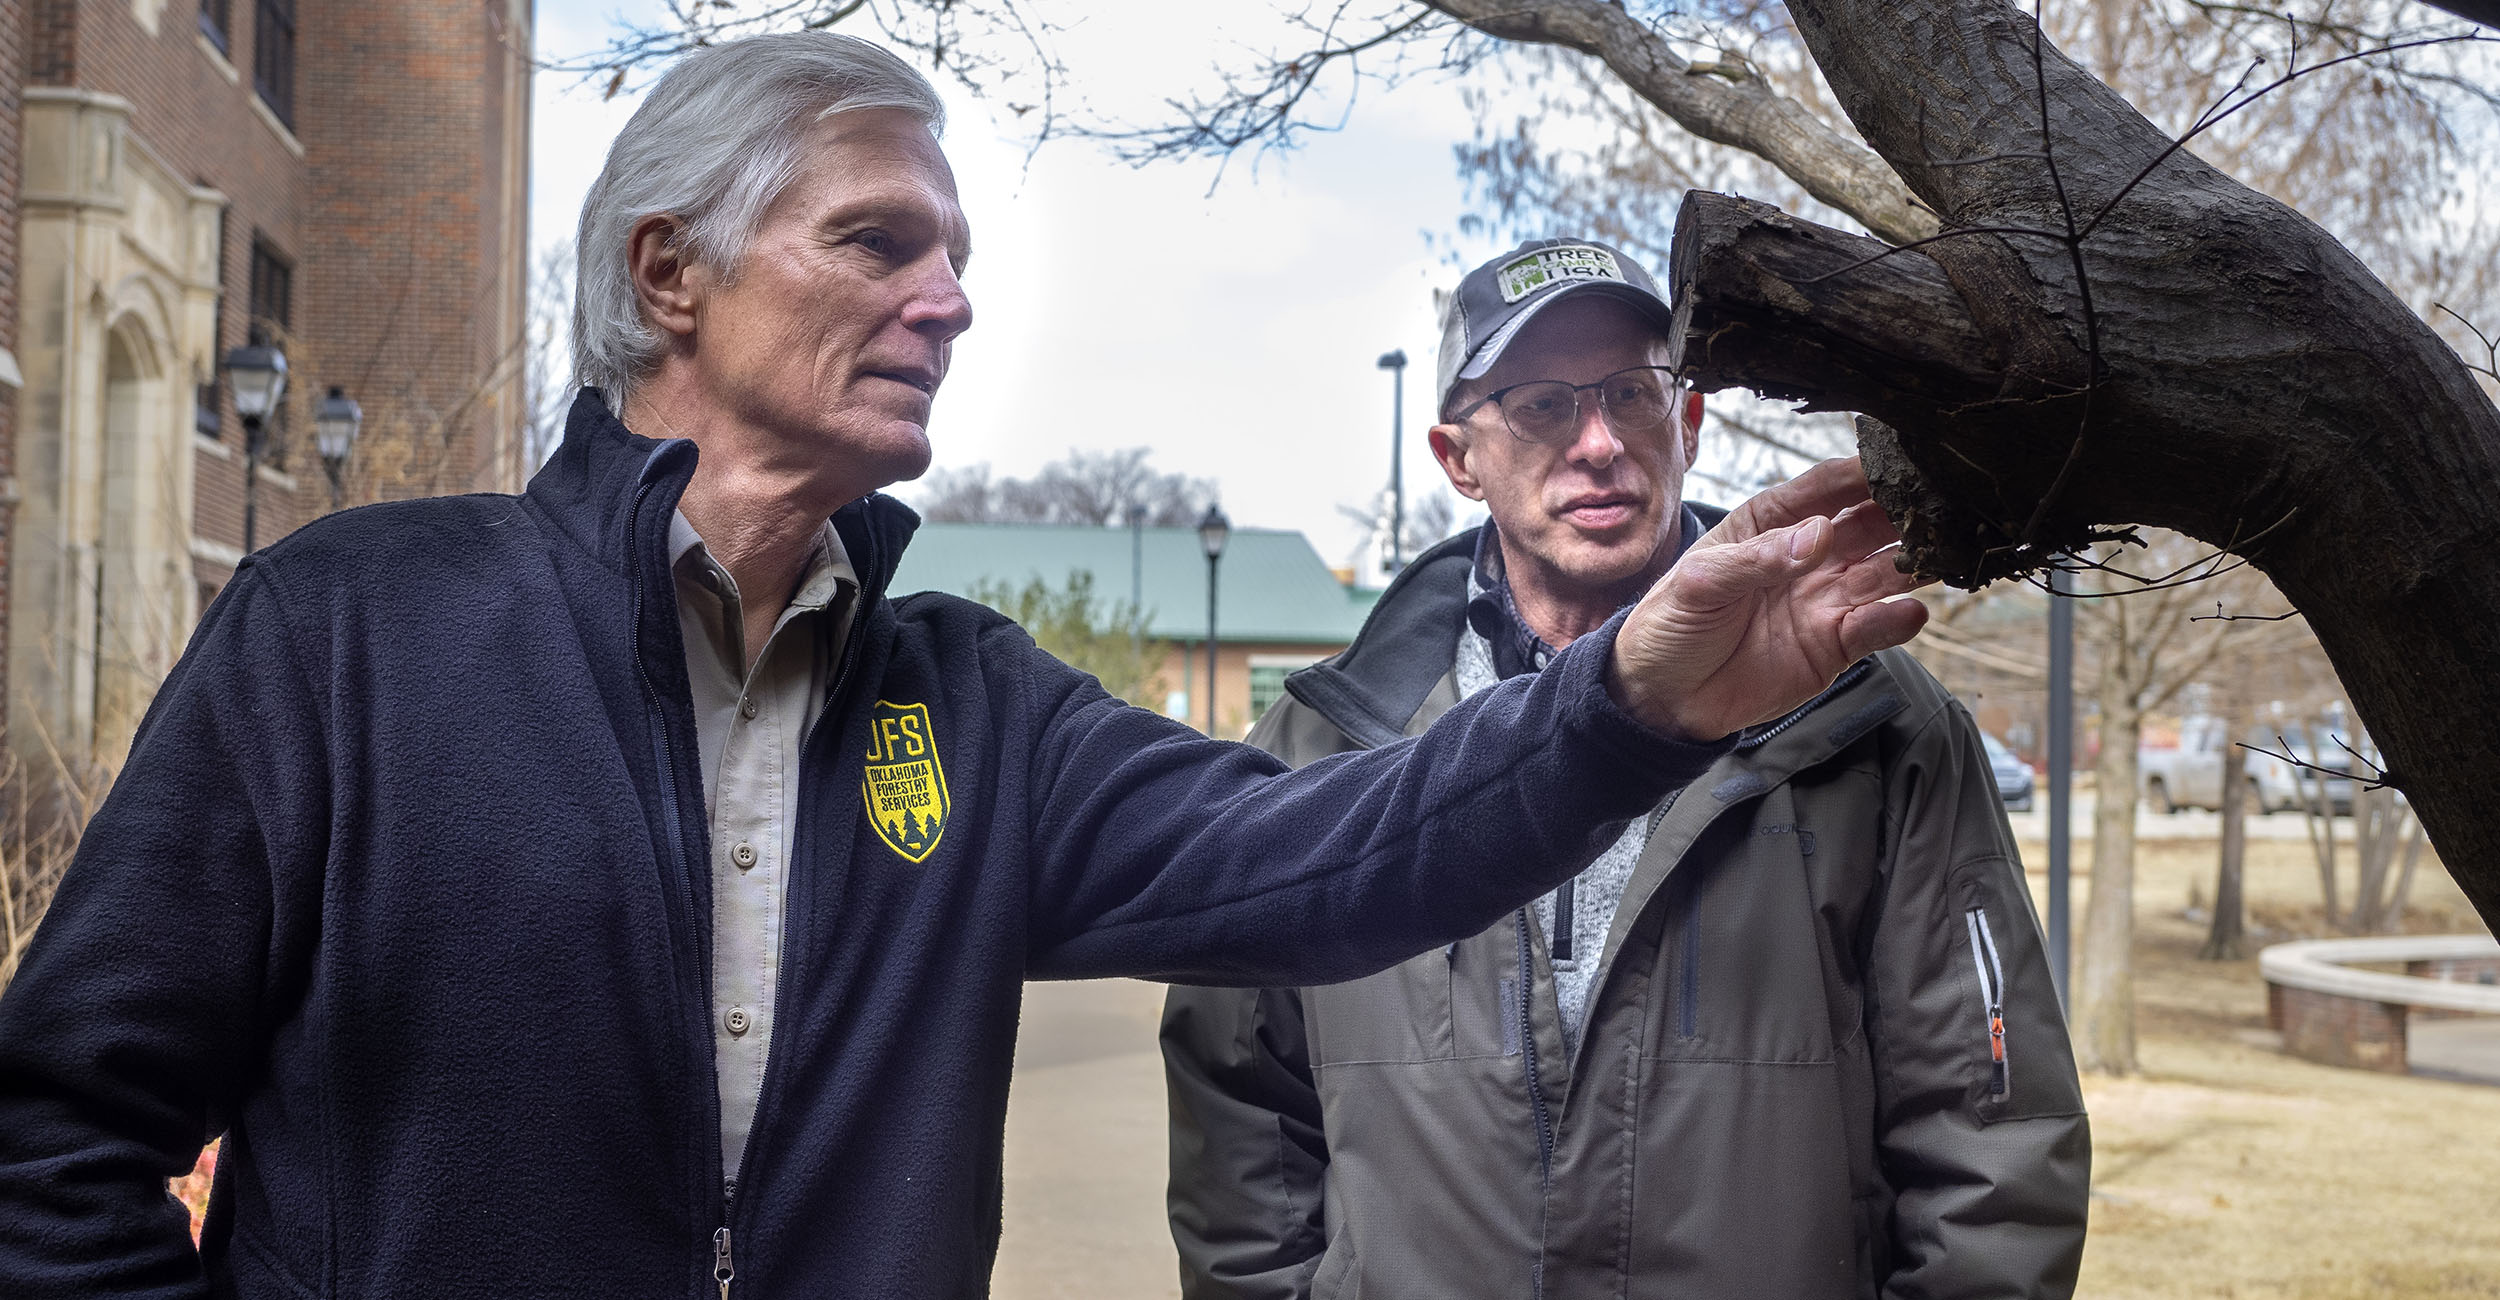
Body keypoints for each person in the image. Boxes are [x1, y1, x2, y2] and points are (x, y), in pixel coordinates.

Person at [0, 40, 1932, 1300]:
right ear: (671, 275)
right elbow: (59, 1139)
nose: (952, 300)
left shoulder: (967, 706)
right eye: (880, 243)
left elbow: (1335, 862)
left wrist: (1631, 704)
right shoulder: (350, 631)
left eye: (957, 256)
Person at [1162, 238, 2089, 1300]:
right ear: (1458, 458)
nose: (1599, 442)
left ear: (1686, 422)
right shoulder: (1322, 746)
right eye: (1540, 406)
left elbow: (1991, 1144)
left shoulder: (1872, 723)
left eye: (1631, 395)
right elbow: (1241, 1119)